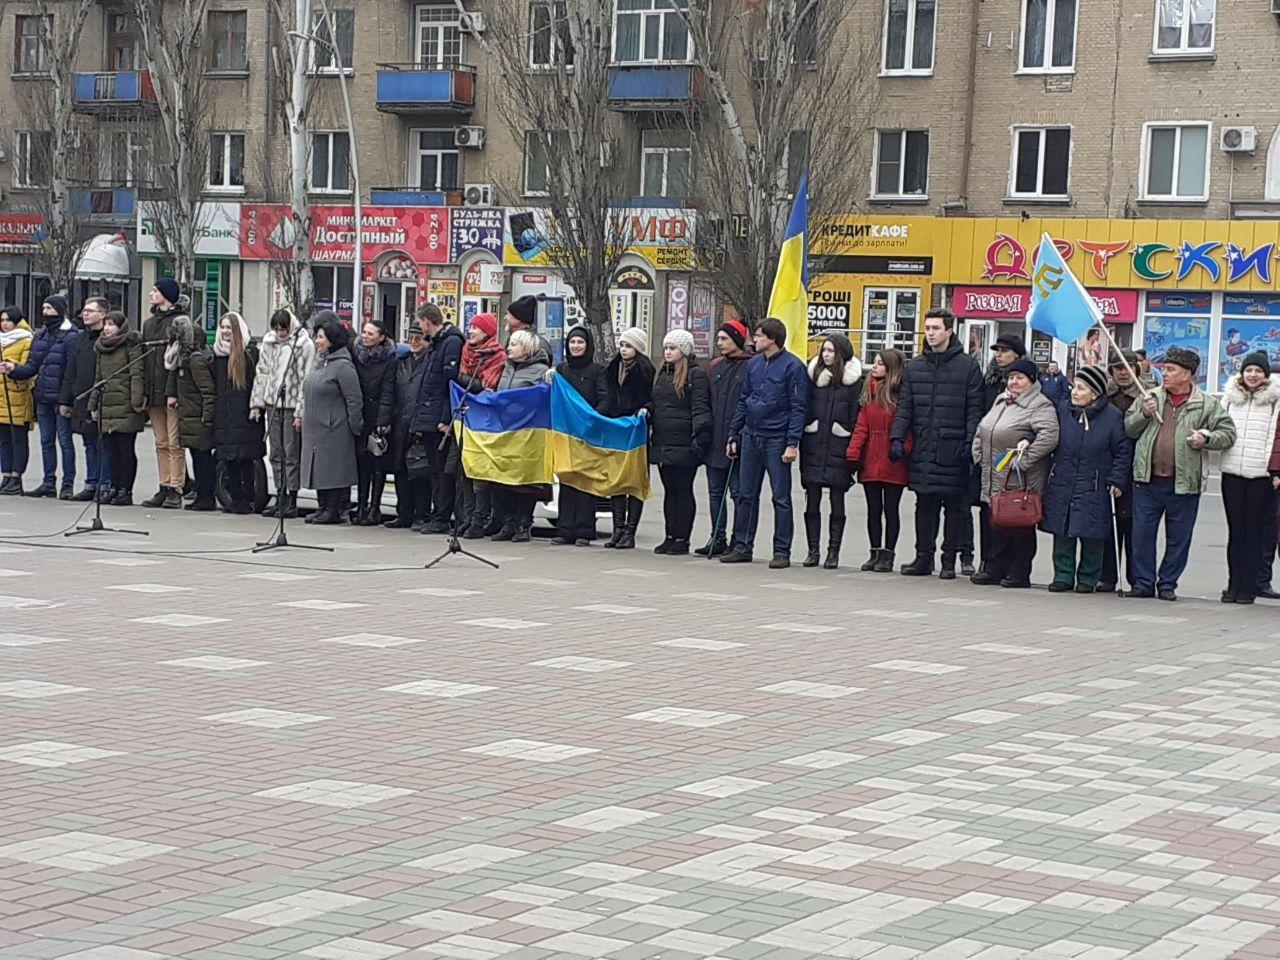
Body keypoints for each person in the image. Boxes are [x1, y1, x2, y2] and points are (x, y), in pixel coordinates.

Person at [1125, 346, 1234, 600]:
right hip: (1147, 480)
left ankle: (1167, 584)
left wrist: (1206, 438)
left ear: (1187, 374)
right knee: (1142, 536)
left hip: (1184, 482)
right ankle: (1143, 583)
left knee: (1178, 539)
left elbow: (1228, 433)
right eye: (1165, 369)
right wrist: (1144, 413)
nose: (1165, 374)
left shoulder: (1205, 404)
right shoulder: (1150, 397)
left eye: (1171, 370)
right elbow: (1129, 428)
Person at [891, 308, 984, 578]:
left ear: (949, 331)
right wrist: (897, 437)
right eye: (928, 328)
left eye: (936, 328)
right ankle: (923, 558)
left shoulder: (968, 367)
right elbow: (905, 407)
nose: (931, 333)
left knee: (954, 508)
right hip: (923, 448)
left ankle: (949, 561)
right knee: (924, 505)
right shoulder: (915, 366)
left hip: (953, 449)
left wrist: (970, 443)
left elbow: (974, 410)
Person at [721, 317, 810, 569]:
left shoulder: (793, 366)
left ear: (772, 339)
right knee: (746, 494)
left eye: (759, 335)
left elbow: (798, 407)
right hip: (751, 435)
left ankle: (781, 550)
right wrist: (733, 433)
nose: (754, 340)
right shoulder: (754, 364)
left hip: (777, 437)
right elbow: (744, 399)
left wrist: (792, 442)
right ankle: (742, 546)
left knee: (780, 497)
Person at [1041, 365, 1131, 593]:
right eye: (1074, 387)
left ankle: (1088, 578)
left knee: (1092, 533)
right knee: (1063, 530)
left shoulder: (1112, 416)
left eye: (1081, 388)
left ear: (1095, 393)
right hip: (1063, 479)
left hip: (1095, 482)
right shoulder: (1063, 410)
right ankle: (1063, 575)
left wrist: (1117, 480)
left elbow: (1122, 451)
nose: (1074, 392)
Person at [970, 356, 1059, 587]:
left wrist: (1024, 460)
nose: (1014, 382)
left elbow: (1049, 436)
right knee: (998, 522)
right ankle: (995, 568)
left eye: (1020, 377)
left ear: (1032, 380)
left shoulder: (1040, 405)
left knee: (1019, 524)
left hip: (1021, 477)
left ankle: (1019, 572)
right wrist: (978, 453)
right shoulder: (1002, 400)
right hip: (995, 473)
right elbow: (983, 428)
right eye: (1011, 377)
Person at [1218, 352, 1280, 604]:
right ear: (1241, 373)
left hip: (1261, 477)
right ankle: (1233, 584)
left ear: (1266, 375)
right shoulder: (1230, 398)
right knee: (1236, 532)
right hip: (1232, 472)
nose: (1253, 375)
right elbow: (1218, 426)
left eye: (1258, 371)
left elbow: (1275, 437)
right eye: (1248, 370)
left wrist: (1274, 470)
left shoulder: (1274, 400)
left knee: (1254, 533)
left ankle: (1248, 587)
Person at [4, 295, 78, 499]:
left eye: (49, 308)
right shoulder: (41, 335)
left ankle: (67, 484)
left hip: (60, 397)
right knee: (46, 441)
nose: (45, 312)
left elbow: (71, 371)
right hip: (43, 396)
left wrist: (66, 399)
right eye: (44, 308)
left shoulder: (71, 335)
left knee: (65, 442)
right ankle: (48, 482)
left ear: (60, 310)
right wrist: (14, 369)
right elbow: (32, 366)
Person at [800, 333, 862, 568]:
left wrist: (850, 442)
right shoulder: (813, 378)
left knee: (837, 500)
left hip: (839, 447)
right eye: (824, 350)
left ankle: (833, 552)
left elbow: (856, 417)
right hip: (814, 445)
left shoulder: (853, 383)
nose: (826, 355)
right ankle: (813, 550)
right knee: (812, 500)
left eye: (831, 351)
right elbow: (804, 408)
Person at [648, 328, 711, 556]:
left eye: (672, 348)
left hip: (684, 441)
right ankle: (670, 535)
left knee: (683, 489)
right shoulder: (662, 373)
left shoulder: (695, 375)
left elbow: (700, 406)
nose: (668, 352)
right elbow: (657, 403)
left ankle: (682, 538)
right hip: (663, 440)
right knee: (669, 490)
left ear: (684, 351)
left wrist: (700, 435)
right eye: (666, 348)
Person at [969, 333, 1027, 574]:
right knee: (988, 511)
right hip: (989, 458)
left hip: (1013, 460)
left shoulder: (1027, 383)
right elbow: (982, 417)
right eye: (997, 351)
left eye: (1004, 351)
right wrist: (977, 451)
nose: (999, 355)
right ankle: (988, 562)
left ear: (1017, 355)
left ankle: (1012, 566)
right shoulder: (990, 380)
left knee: (1012, 513)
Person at [249, 309, 315, 520]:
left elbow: (306, 379)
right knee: (276, 452)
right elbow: (262, 373)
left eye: (283, 329)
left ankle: (292, 497)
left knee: (291, 452)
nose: (280, 333)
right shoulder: (269, 343)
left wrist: (300, 412)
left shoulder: (303, 345)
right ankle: (280, 495)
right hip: (273, 403)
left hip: (292, 404)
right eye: (277, 329)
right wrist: (256, 404)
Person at [847, 349, 909, 572]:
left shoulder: (900, 397)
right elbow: (861, 427)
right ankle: (874, 552)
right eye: (875, 362)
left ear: (891, 368)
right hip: (871, 458)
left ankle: (888, 554)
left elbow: (907, 427)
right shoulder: (868, 394)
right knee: (873, 509)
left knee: (891, 509)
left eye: (880, 364)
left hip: (893, 459)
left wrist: (902, 447)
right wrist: (853, 453)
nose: (875, 367)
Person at [301, 311, 363, 525]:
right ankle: (322, 507)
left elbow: (354, 399)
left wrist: (354, 425)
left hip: (335, 427)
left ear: (332, 340)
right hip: (316, 428)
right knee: (319, 469)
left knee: (333, 470)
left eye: (321, 337)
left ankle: (333, 509)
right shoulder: (321, 362)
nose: (317, 341)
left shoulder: (343, 366)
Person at [491, 329, 552, 542]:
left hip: (528, 432)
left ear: (527, 348)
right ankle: (508, 523)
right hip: (506, 430)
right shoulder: (506, 368)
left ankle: (523, 524)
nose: (509, 348)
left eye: (514, 344)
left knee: (526, 481)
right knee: (503, 477)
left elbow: (540, 400)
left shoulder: (541, 371)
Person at [697, 319, 751, 557]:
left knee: (738, 493)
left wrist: (738, 434)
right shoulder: (714, 366)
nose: (719, 343)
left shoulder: (750, 366)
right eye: (718, 338)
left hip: (738, 440)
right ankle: (717, 535)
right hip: (715, 440)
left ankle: (739, 539)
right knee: (715, 493)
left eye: (724, 339)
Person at [550, 324, 607, 546]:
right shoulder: (562, 370)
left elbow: (605, 399)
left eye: (580, 342)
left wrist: (592, 419)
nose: (575, 346)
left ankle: (584, 530)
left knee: (585, 481)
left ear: (588, 345)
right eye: (572, 342)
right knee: (567, 479)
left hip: (588, 432)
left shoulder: (597, 371)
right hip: (566, 432)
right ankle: (564, 529)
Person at [410, 304, 465, 534]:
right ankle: (437, 513)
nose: (420, 327)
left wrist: (445, 417)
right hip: (429, 413)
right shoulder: (437, 343)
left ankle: (442, 516)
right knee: (434, 469)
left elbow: (448, 383)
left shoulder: (450, 342)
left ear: (426, 320)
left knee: (442, 470)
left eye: (420, 322)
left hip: (438, 416)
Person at [455, 313, 507, 538]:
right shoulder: (466, 352)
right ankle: (467, 517)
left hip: (485, 420)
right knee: (465, 469)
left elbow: (488, 386)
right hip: (465, 417)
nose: (471, 331)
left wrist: (463, 380)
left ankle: (480, 518)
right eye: (471, 326)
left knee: (481, 472)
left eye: (476, 328)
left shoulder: (497, 356)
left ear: (487, 332)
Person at [140, 279, 189, 509]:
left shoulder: (179, 322)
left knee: (174, 442)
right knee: (161, 441)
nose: (151, 294)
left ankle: (176, 487)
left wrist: (174, 391)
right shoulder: (148, 324)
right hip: (153, 389)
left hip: (172, 391)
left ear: (167, 295)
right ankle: (163, 483)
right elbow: (145, 358)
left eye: (156, 291)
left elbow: (180, 359)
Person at [602, 327, 653, 549]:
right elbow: (608, 395)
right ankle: (618, 529)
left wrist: (646, 409)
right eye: (622, 345)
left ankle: (630, 531)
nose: (624, 350)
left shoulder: (646, 370)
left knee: (634, 480)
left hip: (636, 430)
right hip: (616, 428)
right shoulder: (613, 367)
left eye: (629, 346)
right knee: (617, 480)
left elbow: (652, 398)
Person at [89, 311, 145, 506]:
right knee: (110, 450)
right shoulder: (102, 347)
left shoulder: (131, 344)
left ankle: (125, 490)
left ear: (121, 327)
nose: (107, 328)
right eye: (105, 324)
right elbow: (98, 378)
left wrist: (137, 401)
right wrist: (93, 404)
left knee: (125, 449)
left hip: (126, 403)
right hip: (107, 404)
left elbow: (137, 374)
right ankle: (113, 486)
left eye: (111, 324)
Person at [211, 312, 264, 515]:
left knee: (245, 458)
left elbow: (256, 383)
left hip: (244, 414)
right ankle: (235, 499)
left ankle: (248, 499)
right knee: (228, 459)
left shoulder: (249, 354)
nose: (225, 331)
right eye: (223, 327)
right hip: (224, 415)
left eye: (229, 327)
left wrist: (255, 407)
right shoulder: (217, 355)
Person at [60, 298, 111, 501]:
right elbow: (70, 370)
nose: (85, 314)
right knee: (88, 442)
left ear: (103, 314)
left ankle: (105, 485)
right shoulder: (80, 338)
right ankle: (91, 483)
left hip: (101, 397)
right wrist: (65, 400)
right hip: (81, 397)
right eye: (84, 310)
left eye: (90, 310)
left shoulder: (107, 339)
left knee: (103, 444)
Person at [1100, 350, 1143, 591]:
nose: (1123, 373)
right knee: (1110, 524)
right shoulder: (1104, 397)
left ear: (1136, 369)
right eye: (1118, 368)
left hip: (1137, 468)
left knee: (1134, 527)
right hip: (1110, 465)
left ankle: (1137, 578)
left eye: (1127, 368)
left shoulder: (1147, 396)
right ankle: (1108, 575)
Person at [165, 316, 218, 512]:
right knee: (197, 457)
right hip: (191, 416)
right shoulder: (184, 361)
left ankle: (206, 497)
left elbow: (207, 391)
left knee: (202, 458)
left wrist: (207, 417)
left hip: (198, 417)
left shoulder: (195, 361)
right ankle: (201, 495)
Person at [385, 321, 431, 530]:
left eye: (418, 338)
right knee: (400, 469)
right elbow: (390, 392)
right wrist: (386, 419)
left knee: (420, 471)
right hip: (400, 422)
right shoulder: (401, 362)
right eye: (411, 338)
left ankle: (422, 514)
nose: (413, 342)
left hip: (420, 422)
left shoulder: (430, 362)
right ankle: (403, 512)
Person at [351, 319, 396, 525]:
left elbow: (388, 390)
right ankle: (361, 505)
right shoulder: (357, 355)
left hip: (378, 414)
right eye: (364, 332)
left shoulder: (389, 358)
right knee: (362, 462)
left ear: (381, 337)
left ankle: (374, 507)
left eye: (370, 334)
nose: (365, 337)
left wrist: (383, 419)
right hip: (361, 414)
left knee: (377, 462)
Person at [0, 307, 33, 495]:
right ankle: (5, 475)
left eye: (8, 320)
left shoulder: (26, 339)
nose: (4, 324)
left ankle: (16, 477)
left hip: (17, 396)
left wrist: (12, 368)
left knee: (18, 439)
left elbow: (27, 367)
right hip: (1, 397)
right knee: (4, 440)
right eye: (2, 320)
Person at [506, 294, 552, 358]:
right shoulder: (512, 338)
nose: (505, 318)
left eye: (508, 315)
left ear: (518, 319)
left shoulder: (537, 344)